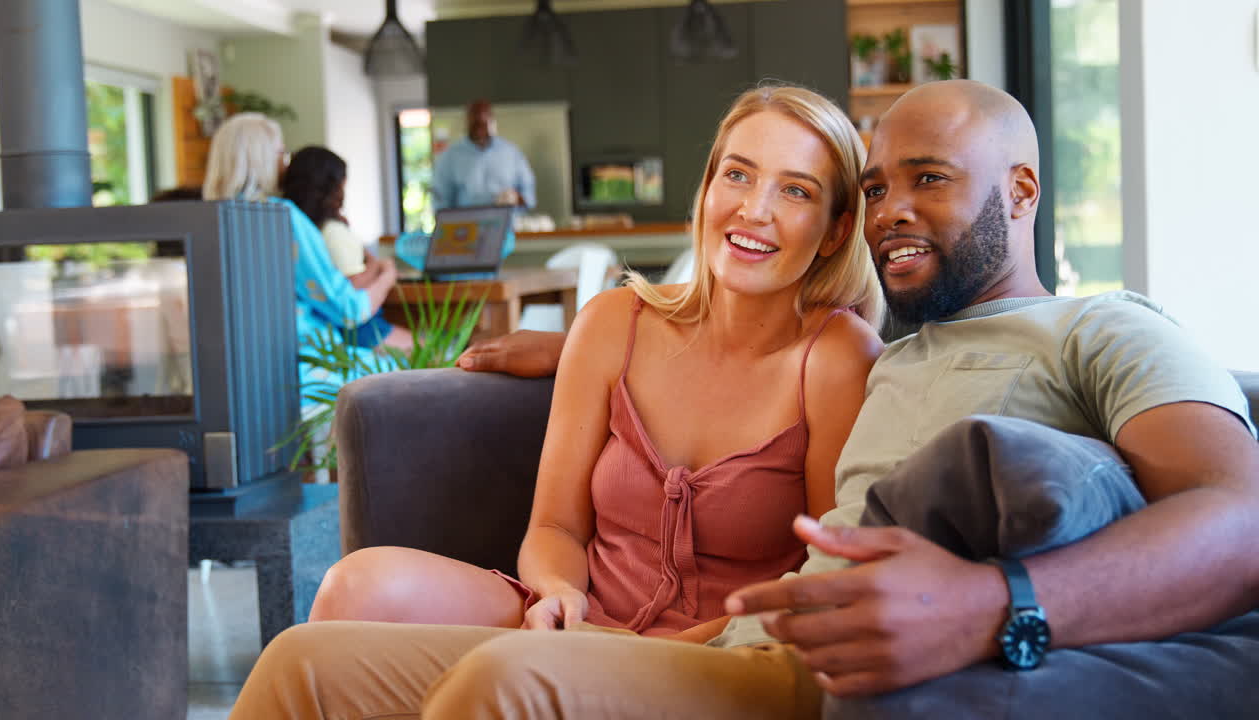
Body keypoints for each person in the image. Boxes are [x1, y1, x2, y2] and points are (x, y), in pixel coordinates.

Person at [230, 80, 1259, 719]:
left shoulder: (1103, 328)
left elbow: (1242, 520)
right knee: (305, 663)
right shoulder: (898, 349)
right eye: (879, 187)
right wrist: (582, 350)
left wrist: (999, 607)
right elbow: (734, 341)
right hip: (707, 644)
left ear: (1022, 191)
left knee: (505, 685)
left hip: (784, 660)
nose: (893, 212)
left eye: (931, 180)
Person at [230, 83, 885, 716]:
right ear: (708, 188)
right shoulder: (613, 322)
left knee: (502, 674)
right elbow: (555, 529)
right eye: (737, 175)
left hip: (715, 658)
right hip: (575, 620)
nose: (754, 210)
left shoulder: (836, 359)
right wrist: (559, 596)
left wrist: (619, 653)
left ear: (835, 231)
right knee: (338, 607)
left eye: (795, 191)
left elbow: (825, 581)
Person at [202, 114, 412, 375]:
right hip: (306, 362)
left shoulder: (210, 221)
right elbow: (347, 309)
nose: (285, 163)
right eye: (281, 153)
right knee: (414, 360)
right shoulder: (280, 216)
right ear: (262, 159)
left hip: (242, 366)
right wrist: (387, 275)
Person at [280, 145, 407, 350]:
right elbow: (350, 288)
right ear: (335, 186)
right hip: (359, 327)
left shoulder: (295, 226)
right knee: (433, 347)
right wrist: (384, 271)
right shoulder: (332, 232)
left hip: (335, 325)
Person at [432, 99, 536, 211]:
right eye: (476, 124)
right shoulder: (450, 157)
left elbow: (528, 194)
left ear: (492, 122)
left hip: (505, 220)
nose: (480, 130)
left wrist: (515, 198)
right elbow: (440, 203)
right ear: (467, 122)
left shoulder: (511, 153)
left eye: (484, 123)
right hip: (466, 221)